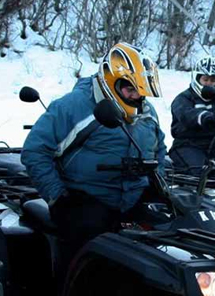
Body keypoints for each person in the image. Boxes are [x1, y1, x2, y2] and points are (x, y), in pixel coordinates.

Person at [20, 43, 166, 269]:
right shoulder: (72, 107)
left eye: (141, 92)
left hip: (133, 197)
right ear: (111, 81)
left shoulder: (145, 111)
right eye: (131, 91)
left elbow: (160, 148)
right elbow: (35, 150)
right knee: (88, 253)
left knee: (171, 234)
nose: (137, 98)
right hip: (87, 197)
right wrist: (57, 196)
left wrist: (158, 181)